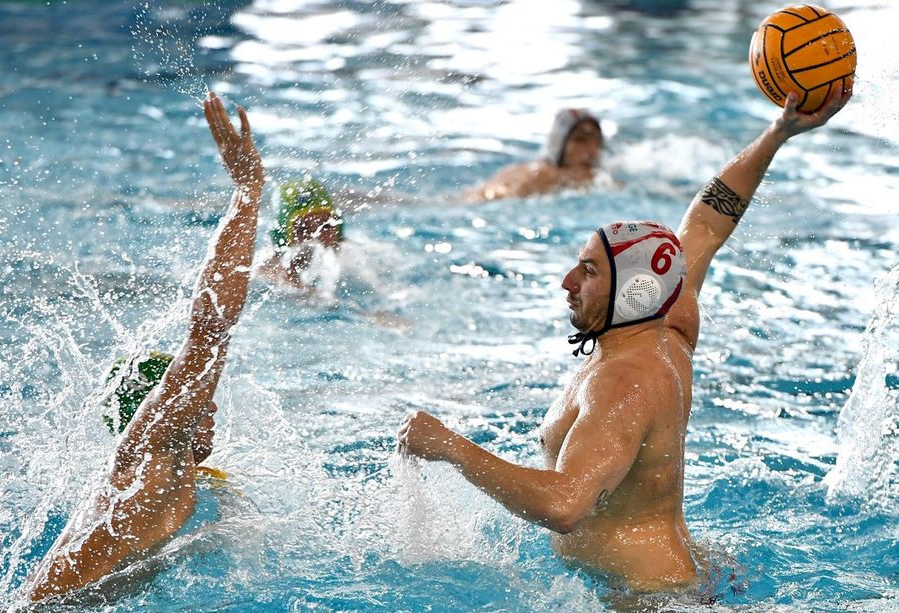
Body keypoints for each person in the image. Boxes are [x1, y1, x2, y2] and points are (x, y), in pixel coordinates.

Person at [398, 88, 851, 592]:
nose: (567, 281)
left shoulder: (623, 382)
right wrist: (778, 133)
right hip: (679, 572)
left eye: (588, 271)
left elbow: (564, 505)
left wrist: (450, 447)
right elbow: (707, 219)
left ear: (633, 293)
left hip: (645, 599)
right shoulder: (670, 324)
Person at [24, 91, 264, 601]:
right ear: (159, 410)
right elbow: (209, 328)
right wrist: (247, 192)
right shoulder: (152, 454)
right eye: (194, 399)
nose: (210, 404)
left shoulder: (154, 476)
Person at [462, 108, 604, 202]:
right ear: (558, 145)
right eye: (580, 140)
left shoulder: (528, 168)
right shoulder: (544, 176)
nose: (592, 150)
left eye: (597, 140)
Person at [255, 177, 344, 292]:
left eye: (326, 225)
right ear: (282, 236)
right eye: (303, 228)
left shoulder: (356, 256)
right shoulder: (266, 269)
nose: (315, 235)